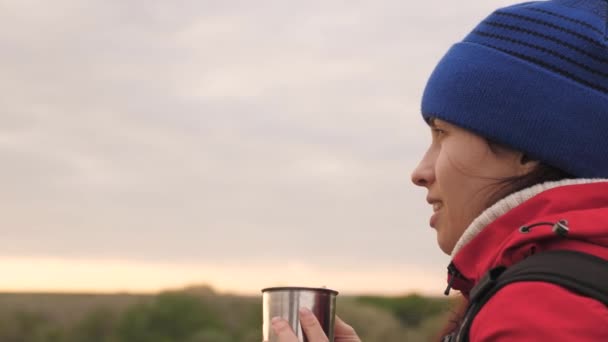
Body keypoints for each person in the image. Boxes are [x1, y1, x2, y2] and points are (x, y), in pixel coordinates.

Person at [271, 0, 608, 340]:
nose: (419, 172)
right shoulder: (572, 284)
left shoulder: (538, 312)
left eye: (442, 133)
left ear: (527, 149)